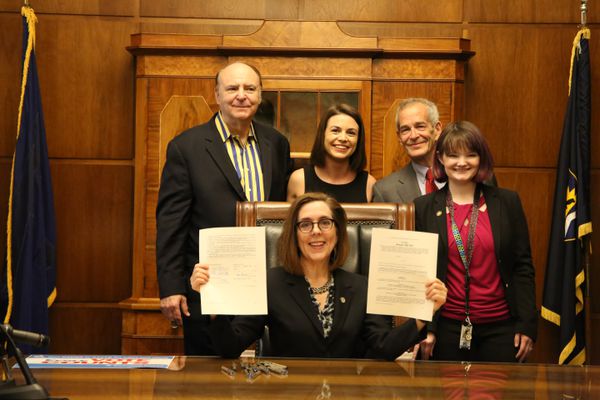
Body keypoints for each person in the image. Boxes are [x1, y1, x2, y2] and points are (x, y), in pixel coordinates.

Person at [190, 192, 448, 359]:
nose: (316, 231)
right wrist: (214, 303)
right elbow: (231, 346)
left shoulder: (361, 287)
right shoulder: (270, 283)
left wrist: (423, 313)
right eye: (305, 224)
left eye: (325, 222)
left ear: (337, 233)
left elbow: (383, 348)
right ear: (294, 233)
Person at [156, 61, 293, 355]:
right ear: (217, 95)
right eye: (232, 88)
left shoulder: (277, 144)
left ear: (260, 94)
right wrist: (171, 287)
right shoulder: (186, 147)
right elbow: (170, 224)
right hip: (209, 287)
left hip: (267, 283)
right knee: (209, 378)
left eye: (250, 88)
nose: (241, 95)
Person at [414, 121, 537, 362]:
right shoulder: (423, 208)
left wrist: (527, 325)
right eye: (453, 155)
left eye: (470, 154)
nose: (462, 162)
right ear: (440, 158)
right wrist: (427, 327)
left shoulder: (507, 202)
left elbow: (523, 267)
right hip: (446, 328)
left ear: (481, 158)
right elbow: (420, 274)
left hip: (503, 329)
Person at [287, 104, 376, 202]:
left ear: (359, 140)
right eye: (335, 131)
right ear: (323, 134)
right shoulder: (299, 180)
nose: (343, 138)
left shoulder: (369, 184)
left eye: (351, 133)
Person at [372, 98, 443, 203]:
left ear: (437, 130)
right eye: (405, 130)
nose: (413, 136)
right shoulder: (385, 190)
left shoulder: (463, 177)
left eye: (420, 126)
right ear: (399, 137)